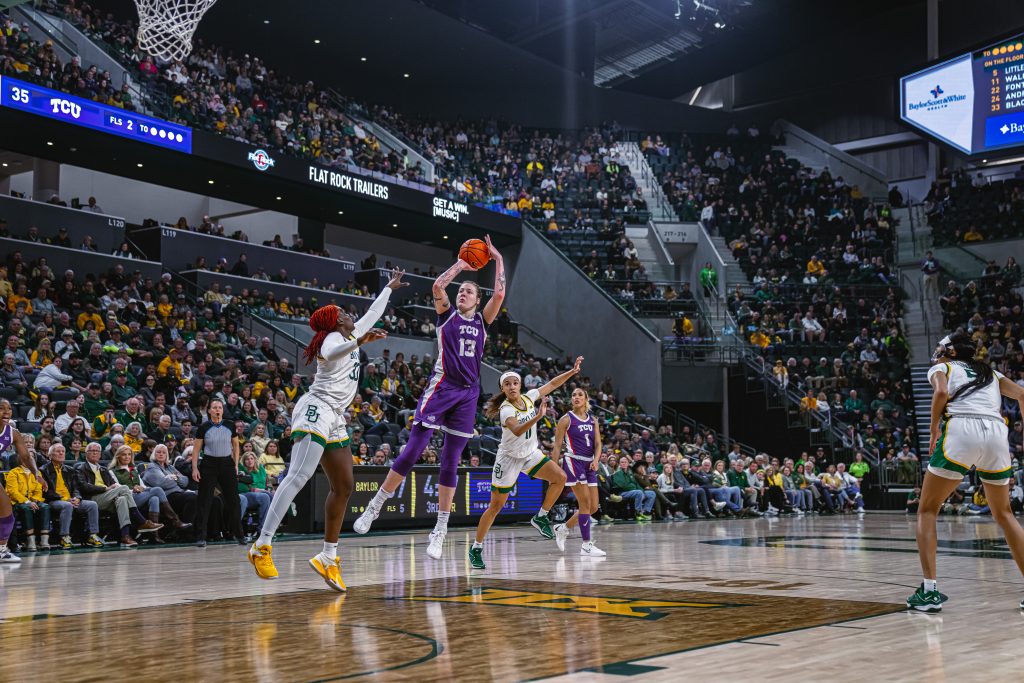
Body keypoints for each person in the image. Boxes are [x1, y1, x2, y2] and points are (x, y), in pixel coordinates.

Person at [247, 269, 405, 588]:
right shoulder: (333, 339)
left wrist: (388, 289)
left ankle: (328, 556)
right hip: (315, 409)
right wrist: (359, 340)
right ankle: (261, 545)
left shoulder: (348, 334)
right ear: (335, 322)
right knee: (298, 476)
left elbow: (372, 314)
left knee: (344, 485)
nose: (350, 314)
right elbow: (333, 352)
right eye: (344, 313)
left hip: (335, 416)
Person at [355, 237, 506, 561]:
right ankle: (375, 506)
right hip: (442, 387)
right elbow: (439, 285)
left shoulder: (482, 321)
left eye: (469, 291)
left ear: (478, 301)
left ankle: (440, 529)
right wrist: (461, 265)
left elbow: (501, 292)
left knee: (451, 462)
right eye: (461, 290)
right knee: (412, 451)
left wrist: (497, 259)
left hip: (468, 395)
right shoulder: (447, 316)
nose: (462, 293)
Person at [908, 331, 1024, 612]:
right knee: (1004, 514)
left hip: (961, 428)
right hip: (997, 433)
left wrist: (934, 428)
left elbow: (941, 393)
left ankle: (930, 591)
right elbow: (1022, 394)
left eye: (940, 347)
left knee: (927, 510)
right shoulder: (991, 374)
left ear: (950, 351)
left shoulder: (942, 367)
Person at [467, 360, 579, 569]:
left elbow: (553, 384)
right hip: (509, 459)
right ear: (503, 389)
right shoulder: (506, 410)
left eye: (514, 383)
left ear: (519, 385)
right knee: (495, 507)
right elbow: (517, 430)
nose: (511, 387)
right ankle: (476, 547)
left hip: (529, 454)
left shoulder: (529, 397)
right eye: (507, 384)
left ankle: (541, 517)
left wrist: (571, 372)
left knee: (560, 478)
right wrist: (537, 417)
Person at [549, 386, 607, 556]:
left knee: (593, 507)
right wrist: (553, 468)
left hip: (590, 464)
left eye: (580, 394)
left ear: (586, 399)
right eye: (573, 395)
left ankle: (563, 527)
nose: (576, 397)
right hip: (573, 462)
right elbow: (558, 445)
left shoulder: (593, 420)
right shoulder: (566, 419)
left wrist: (596, 460)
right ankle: (586, 545)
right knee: (584, 504)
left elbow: (598, 444)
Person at [75, 441, 162, 547]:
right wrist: (105, 488)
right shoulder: (80, 468)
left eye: (97, 451)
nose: (95, 453)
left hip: (108, 498)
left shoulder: (103, 469)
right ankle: (141, 521)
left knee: (122, 500)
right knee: (124, 488)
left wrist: (114, 488)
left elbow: (114, 485)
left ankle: (125, 537)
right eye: (92, 451)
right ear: (86, 453)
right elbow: (84, 486)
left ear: (100, 454)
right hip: (92, 498)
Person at [192, 398, 243, 547]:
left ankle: (239, 534)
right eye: (214, 407)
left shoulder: (230, 425)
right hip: (209, 464)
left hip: (227, 464)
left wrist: (235, 464)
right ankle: (201, 536)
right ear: (209, 411)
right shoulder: (203, 427)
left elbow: (235, 445)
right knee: (205, 500)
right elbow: (196, 450)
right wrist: (195, 468)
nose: (217, 410)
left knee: (234, 501)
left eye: (220, 407)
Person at [0, 399, 43, 561]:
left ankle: (1, 550)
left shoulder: (13, 433)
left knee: (6, 513)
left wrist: (37, 474)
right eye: (1, 408)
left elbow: (25, 456)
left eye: (9, 409)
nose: (6, 412)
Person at [40, 442, 104, 550]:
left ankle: (92, 535)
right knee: (67, 506)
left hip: (71, 500)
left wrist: (77, 498)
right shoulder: (43, 470)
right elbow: (46, 492)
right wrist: (63, 499)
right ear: (50, 455)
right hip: (54, 500)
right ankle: (64, 537)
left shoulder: (69, 470)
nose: (61, 453)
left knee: (92, 504)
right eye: (58, 451)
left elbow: (76, 488)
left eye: (63, 451)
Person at [610, 456, 655, 520]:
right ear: (619, 464)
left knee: (651, 493)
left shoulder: (630, 473)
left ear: (628, 463)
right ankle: (638, 513)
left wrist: (641, 490)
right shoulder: (617, 474)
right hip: (622, 493)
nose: (624, 463)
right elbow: (624, 486)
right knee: (638, 492)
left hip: (633, 491)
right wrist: (636, 489)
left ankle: (645, 512)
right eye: (622, 462)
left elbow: (636, 484)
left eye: (625, 462)